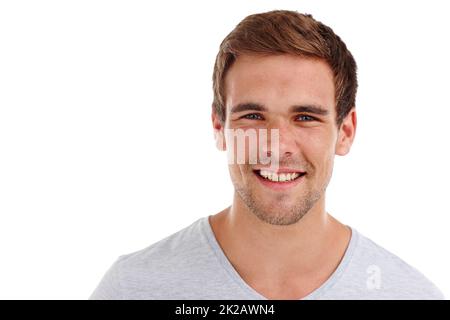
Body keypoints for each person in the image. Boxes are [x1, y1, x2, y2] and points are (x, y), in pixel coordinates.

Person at [89, 10, 444, 300]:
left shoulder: (409, 294)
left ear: (345, 132)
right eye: (253, 116)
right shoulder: (133, 288)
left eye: (305, 117)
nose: (277, 146)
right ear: (218, 126)